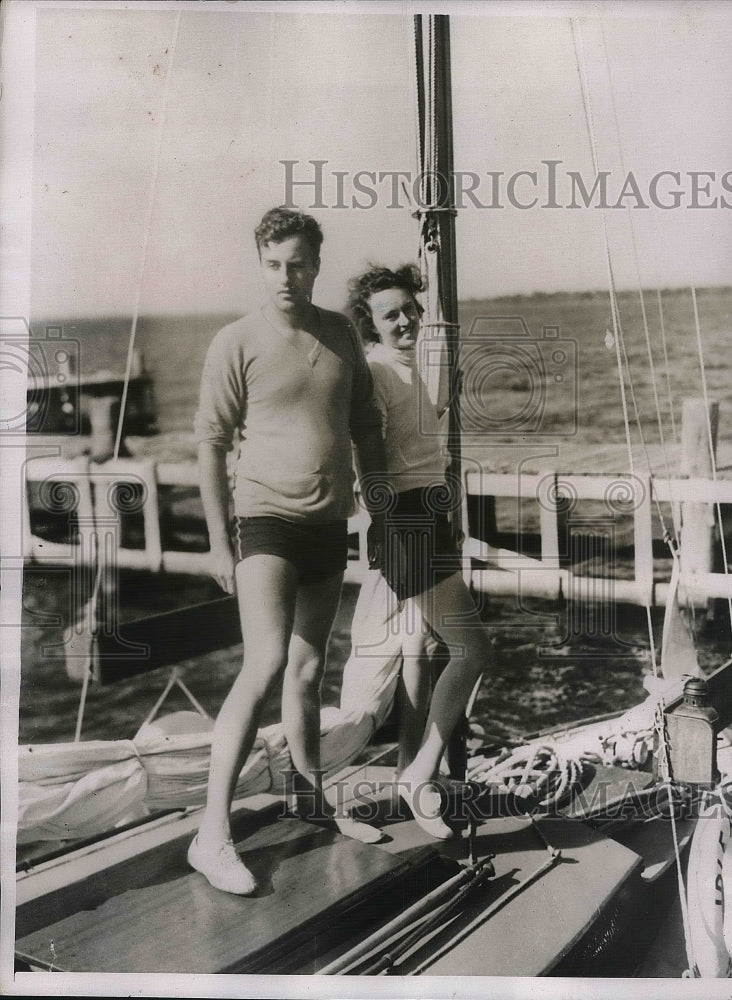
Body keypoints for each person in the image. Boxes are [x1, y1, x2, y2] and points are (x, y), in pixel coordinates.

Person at [189, 207, 387, 894]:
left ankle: (313, 801)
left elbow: (364, 424)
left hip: (327, 527)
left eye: (298, 263)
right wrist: (219, 543)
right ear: (259, 263)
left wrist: (381, 505)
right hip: (265, 521)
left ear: (316, 265)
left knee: (307, 672)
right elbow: (209, 444)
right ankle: (210, 834)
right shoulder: (235, 341)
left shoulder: (338, 333)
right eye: (274, 264)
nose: (286, 276)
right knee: (267, 661)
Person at [346, 263, 493, 840]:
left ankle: (417, 771)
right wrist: (395, 531)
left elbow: (420, 437)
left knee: (433, 643)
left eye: (410, 309)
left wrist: (440, 402)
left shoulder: (414, 369)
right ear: (372, 324)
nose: (404, 320)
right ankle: (420, 775)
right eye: (390, 315)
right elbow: (369, 462)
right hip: (406, 522)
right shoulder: (377, 372)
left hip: (429, 515)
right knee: (472, 649)